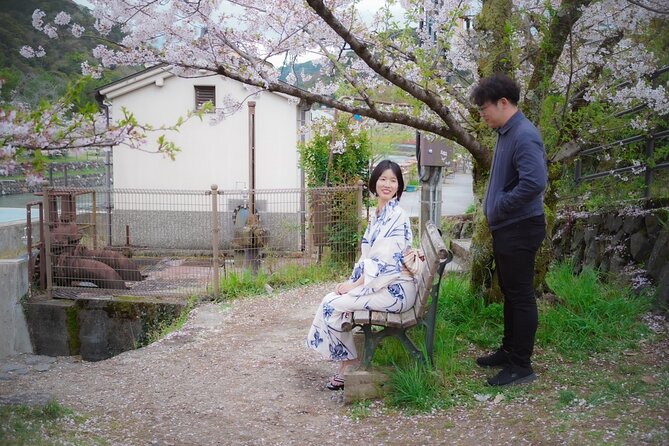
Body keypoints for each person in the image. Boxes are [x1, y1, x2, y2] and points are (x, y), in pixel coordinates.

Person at [306, 160, 417, 390]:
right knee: (332, 301)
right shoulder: (379, 214)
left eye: (393, 180)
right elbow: (369, 258)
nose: (387, 184)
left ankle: (349, 364)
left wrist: (356, 285)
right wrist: (351, 282)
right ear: (374, 182)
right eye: (383, 179)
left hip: (395, 290)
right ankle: (347, 363)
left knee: (332, 304)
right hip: (383, 285)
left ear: (399, 186)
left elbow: (388, 263)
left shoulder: (396, 216)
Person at [470, 73, 548, 386]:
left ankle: (521, 365)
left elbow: (534, 182)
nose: (482, 113)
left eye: (484, 107)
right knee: (512, 295)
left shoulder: (524, 134)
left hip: (520, 227)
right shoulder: (507, 132)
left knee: (521, 296)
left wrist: (500, 206)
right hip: (509, 228)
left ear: (504, 103)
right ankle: (509, 351)